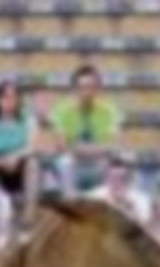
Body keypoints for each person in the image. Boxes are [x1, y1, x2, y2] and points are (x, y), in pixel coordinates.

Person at [50, 64, 123, 193]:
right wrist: (82, 149)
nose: (86, 92)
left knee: (113, 164)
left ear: (97, 89)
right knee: (64, 162)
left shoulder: (109, 111)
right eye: (82, 88)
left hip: (98, 163)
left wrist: (83, 149)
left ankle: (105, 204)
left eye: (91, 87)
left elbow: (113, 145)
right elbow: (61, 146)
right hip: (75, 163)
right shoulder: (62, 111)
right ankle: (71, 202)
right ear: (75, 89)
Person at [0, 80, 39, 227]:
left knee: (33, 163)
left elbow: (32, 146)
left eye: (14, 97)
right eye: (5, 97)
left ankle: (28, 216)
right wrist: (0, 161)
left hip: (19, 168)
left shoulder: (27, 119)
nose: (9, 101)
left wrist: (15, 157)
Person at [89, 152, 154, 226]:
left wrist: (133, 213)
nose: (116, 184)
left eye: (121, 179)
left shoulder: (142, 199)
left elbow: (146, 227)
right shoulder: (93, 197)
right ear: (105, 176)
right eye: (112, 178)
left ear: (129, 177)